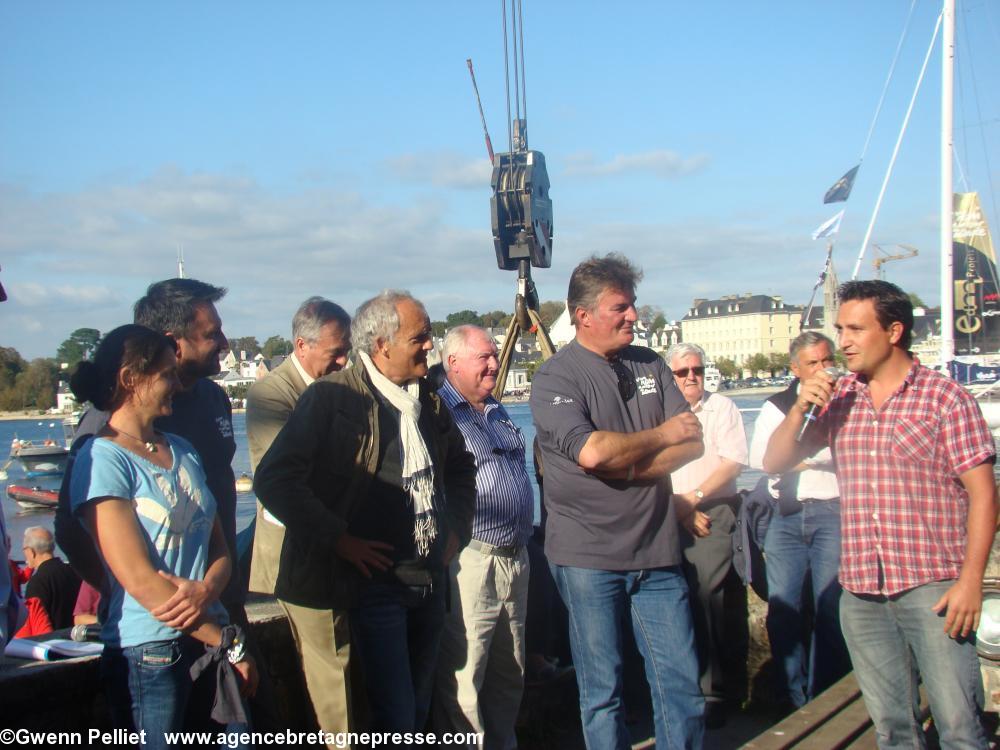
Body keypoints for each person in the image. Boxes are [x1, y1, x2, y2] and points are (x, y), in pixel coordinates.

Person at [763, 280, 997, 748]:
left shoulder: (945, 399)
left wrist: (970, 582)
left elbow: (985, 497)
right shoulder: (841, 397)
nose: (842, 342)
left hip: (933, 587)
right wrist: (799, 411)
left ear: (893, 331)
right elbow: (773, 463)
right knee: (892, 729)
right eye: (840, 329)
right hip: (862, 589)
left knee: (959, 727)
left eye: (854, 329)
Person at [254, 290, 476, 739]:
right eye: (420, 337)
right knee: (394, 716)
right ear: (381, 346)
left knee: (417, 711)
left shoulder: (426, 400)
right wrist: (338, 537)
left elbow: (460, 467)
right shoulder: (331, 400)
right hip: (376, 587)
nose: (430, 346)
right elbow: (275, 480)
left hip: (428, 581)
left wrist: (457, 527)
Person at [530, 253, 706, 750]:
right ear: (583, 316)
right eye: (620, 308)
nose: (633, 317)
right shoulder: (555, 378)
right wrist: (662, 434)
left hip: (658, 553)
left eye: (633, 306)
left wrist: (629, 467)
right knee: (602, 694)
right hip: (588, 559)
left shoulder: (650, 363)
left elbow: (692, 443)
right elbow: (592, 450)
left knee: (681, 687)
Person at [68, 324, 257, 750]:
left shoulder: (183, 450)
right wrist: (229, 644)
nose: (177, 383)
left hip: (210, 641)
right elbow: (140, 580)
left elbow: (220, 546)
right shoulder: (102, 459)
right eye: (167, 375)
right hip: (150, 655)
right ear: (130, 378)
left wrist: (208, 589)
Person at [246, 296, 353, 739]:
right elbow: (286, 484)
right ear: (302, 345)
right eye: (335, 352)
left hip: (335, 550)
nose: (344, 360)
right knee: (333, 675)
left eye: (347, 349)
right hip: (297, 559)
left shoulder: (338, 385)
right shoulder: (272, 395)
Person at [433, 325, 535, 749]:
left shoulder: (495, 408)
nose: (495, 364)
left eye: (495, 355)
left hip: (516, 558)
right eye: (484, 358)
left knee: (510, 672)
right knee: (467, 672)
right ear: (453, 363)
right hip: (473, 559)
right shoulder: (439, 414)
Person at [748, 331, 849, 709]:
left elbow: (851, 456)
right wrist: (812, 454)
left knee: (831, 610)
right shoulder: (779, 405)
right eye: (813, 364)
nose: (824, 370)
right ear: (795, 369)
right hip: (787, 514)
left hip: (833, 511)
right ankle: (795, 699)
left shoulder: (848, 399)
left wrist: (798, 455)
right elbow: (763, 460)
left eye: (827, 361)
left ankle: (829, 698)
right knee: (784, 610)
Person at [667, 342, 747, 725]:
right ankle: (683, 687)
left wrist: (694, 499)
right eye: (682, 372)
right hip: (671, 511)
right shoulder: (661, 413)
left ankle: (714, 692)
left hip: (712, 510)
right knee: (674, 601)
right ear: (671, 376)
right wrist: (681, 510)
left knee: (708, 597)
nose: (691, 378)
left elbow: (733, 462)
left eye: (696, 370)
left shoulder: (722, 408)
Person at [21, 526, 82, 630]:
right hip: (77, 637)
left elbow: (35, 621)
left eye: (24, 549)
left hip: (53, 640)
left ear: (31, 552)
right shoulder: (75, 571)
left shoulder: (38, 582)